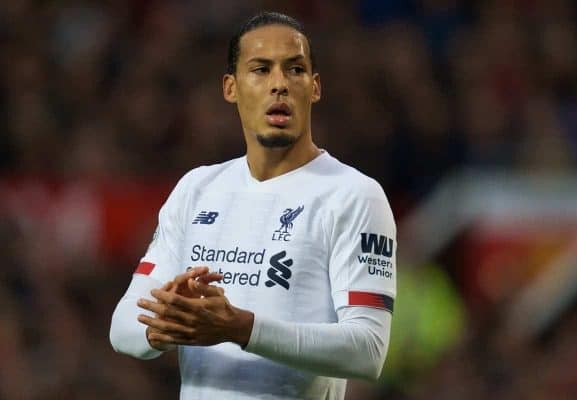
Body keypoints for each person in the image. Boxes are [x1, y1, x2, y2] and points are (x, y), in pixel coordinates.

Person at [109, 11, 396, 400]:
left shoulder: (353, 195)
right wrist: (170, 321)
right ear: (231, 87)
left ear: (314, 88)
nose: (280, 84)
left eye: (295, 70)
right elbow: (123, 328)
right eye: (261, 69)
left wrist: (241, 328)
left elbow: (368, 350)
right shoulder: (197, 189)